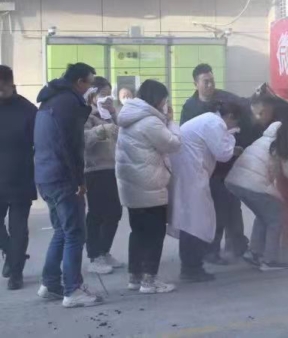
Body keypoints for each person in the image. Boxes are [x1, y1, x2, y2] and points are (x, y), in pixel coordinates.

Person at [34, 62, 103, 308]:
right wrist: (79, 181)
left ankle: (50, 283)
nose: (90, 88)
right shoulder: (68, 103)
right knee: (74, 233)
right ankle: (72, 289)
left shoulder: (50, 99)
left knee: (62, 231)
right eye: (90, 83)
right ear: (79, 82)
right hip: (63, 177)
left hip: (45, 174)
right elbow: (71, 145)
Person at [180, 64, 257, 264]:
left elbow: (244, 107)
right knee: (217, 211)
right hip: (206, 168)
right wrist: (229, 143)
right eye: (205, 82)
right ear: (195, 84)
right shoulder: (190, 107)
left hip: (228, 166)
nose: (210, 85)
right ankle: (210, 250)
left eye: (212, 80)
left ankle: (237, 245)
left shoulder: (225, 98)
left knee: (233, 206)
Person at [225, 94, 288, 271]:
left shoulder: (269, 135)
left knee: (264, 214)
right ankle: (269, 260)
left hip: (235, 180)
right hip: (253, 182)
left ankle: (254, 253)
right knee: (275, 217)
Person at [116, 79, 182, 294]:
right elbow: (173, 144)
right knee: (154, 234)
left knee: (138, 232)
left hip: (131, 187)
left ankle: (135, 277)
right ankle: (149, 281)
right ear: (157, 99)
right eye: (164, 99)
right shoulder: (150, 121)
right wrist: (171, 122)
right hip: (150, 186)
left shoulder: (128, 116)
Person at [169, 102, 242, 282]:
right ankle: (191, 268)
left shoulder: (208, 120)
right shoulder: (216, 123)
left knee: (192, 220)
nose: (234, 126)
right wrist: (231, 136)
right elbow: (223, 154)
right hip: (191, 175)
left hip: (188, 172)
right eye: (235, 123)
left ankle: (192, 265)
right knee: (196, 222)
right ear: (230, 116)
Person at [0, 66, 37, 290]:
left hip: (20, 177)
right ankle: (11, 253)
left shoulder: (27, 110)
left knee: (19, 229)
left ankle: (16, 273)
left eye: (1, 88)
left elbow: (39, 143)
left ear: (11, 84)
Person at [84, 77, 123, 275]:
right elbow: (83, 141)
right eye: (102, 95)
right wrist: (101, 130)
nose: (107, 99)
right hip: (94, 169)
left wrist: (114, 115)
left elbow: (121, 134)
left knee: (115, 212)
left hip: (112, 167)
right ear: (93, 95)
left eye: (109, 95)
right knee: (97, 213)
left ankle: (104, 250)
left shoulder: (109, 114)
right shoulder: (86, 114)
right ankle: (94, 255)